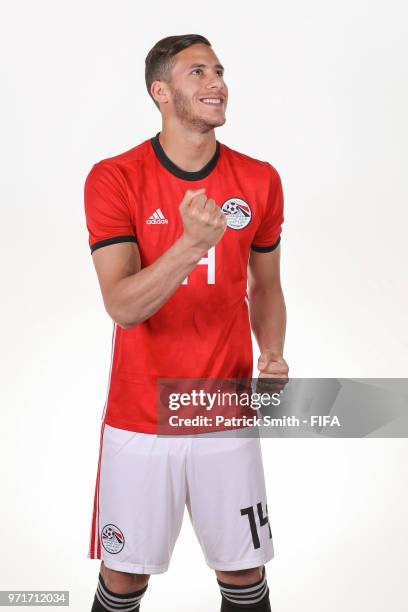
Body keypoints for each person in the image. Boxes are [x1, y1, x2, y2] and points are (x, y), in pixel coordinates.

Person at [84, 33, 288, 612]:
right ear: (161, 92)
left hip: (223, 408)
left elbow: (266, 286)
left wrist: (271, 351)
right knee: (124, 578)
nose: (216, 83)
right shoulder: (114, 177)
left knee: (244, 572)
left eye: (219, 70)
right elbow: (123, 305)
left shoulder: (260, 179)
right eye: (198, 72)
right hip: (140, 416)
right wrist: (189, 244)